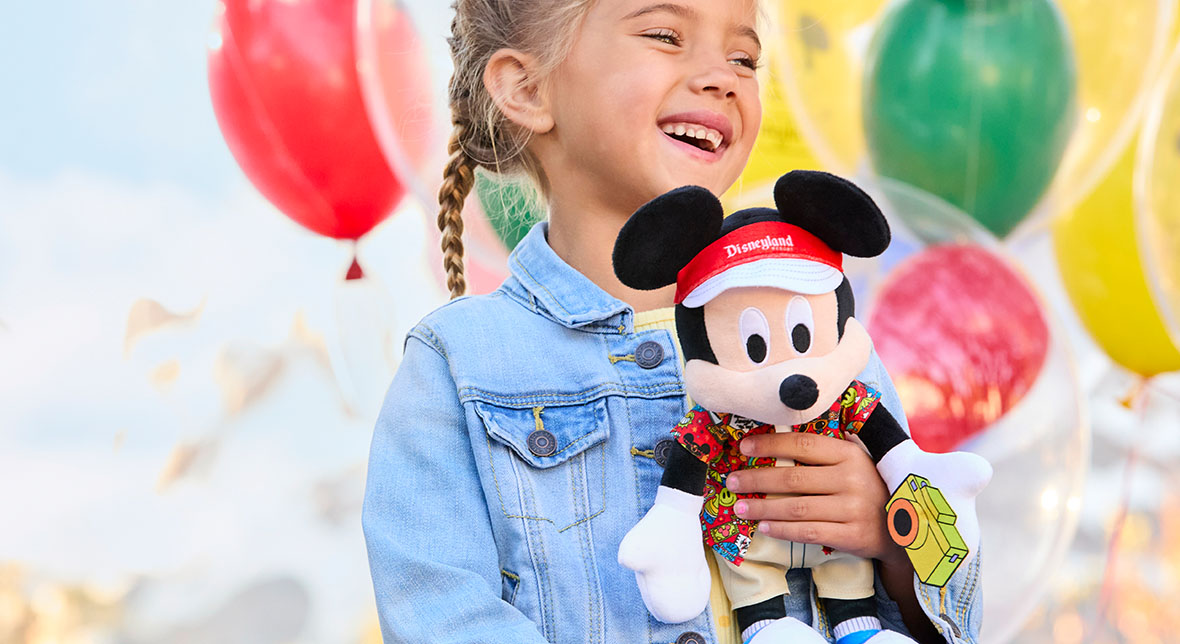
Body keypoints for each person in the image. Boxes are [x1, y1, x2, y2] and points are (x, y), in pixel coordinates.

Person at [362, 1, 983, 643]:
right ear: (527, 87)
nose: (724, 76)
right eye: (665, 35)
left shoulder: (821, 334)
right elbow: (442, 617)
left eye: (743, 57)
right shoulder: (458, 367)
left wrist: (890, 530)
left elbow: (958, 616)